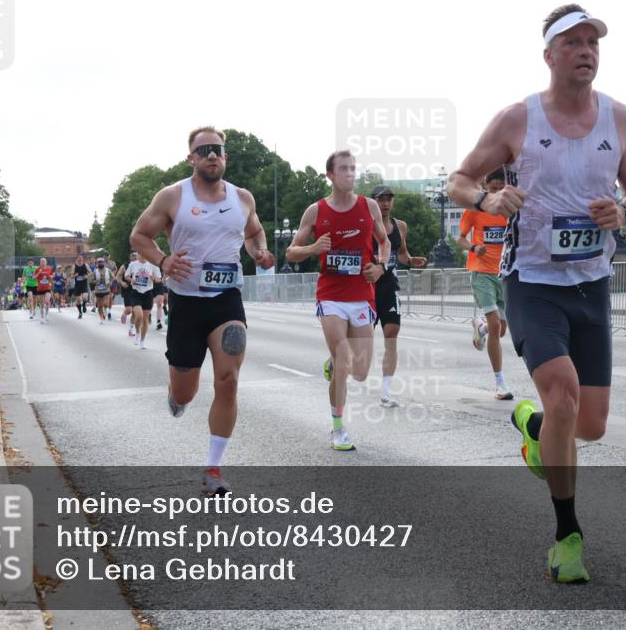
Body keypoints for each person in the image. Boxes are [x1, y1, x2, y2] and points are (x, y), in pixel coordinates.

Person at [446, 4, 626, 584]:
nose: (587, 50)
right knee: (563, 396)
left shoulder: (623, 120)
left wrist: (625, 214)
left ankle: (535, 431)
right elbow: (458, 180)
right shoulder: (517, 119)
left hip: (593, 284)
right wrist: (486, 200)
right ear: (550, 55)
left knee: (590, 427)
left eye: (593, 42)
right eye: (574, 42)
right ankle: (567, 536)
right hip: (532, 283)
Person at [129, 126, 274, 495]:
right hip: (187, 302)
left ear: (225, 157)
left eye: (218, 150)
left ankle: (213, 468)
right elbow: (139, 236)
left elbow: (254, 232)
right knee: (186, 391)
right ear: (191, 158)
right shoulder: (173, 196)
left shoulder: (242, 198)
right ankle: (176, 396)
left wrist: (258, 251)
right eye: (204, 150)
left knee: (229, 380)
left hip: (227, 299)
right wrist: (162, 260)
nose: (213, 155)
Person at [286, 150, 390, 452]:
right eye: (343, 169)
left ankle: (334, 362)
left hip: (362, 297)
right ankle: (338, 428)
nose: (349, 173)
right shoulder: (315, 212)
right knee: (346, 363)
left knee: (360, 371)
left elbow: (384, 243)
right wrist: (314, 248)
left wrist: (380, 266)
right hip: (330, 295)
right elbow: (291, 252)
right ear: (330, 175)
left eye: (353, 168)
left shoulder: (369, 207)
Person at [458, 168, 515, 400]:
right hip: (481, 273)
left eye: (501, 189)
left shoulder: (510, 210)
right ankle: (500, 383)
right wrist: (473, 247)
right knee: (495, 325)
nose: (497, 194)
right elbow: (460, 238)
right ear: (484, 186)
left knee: (500, 330)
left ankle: (479, 327)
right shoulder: (475, 209)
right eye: (493, 190)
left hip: (504, 273)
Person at [369, 185, 427, 407]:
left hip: (389, 286)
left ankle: (385, 393)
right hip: (367, 287)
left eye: (388, 199)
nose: (385, 204)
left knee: (391, 332)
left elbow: (401, 253)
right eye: (380, 199)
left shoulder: (400, 226)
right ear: (373, 202)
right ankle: (336, 360)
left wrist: (411, 261)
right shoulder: (365, 225)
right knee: (360, 341)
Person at [125, 253, 162, 348]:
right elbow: (126, 276)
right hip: (136, 292)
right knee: (139, 316)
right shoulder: (133, 264)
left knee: (145, 320)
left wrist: (154, 279)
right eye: (139, 252)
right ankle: (137, 332)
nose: (141, 254)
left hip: (148, 293)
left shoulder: (153, 265)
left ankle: (142, 341)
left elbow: (159, 279)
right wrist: (131, 280)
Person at [92, 257, 114, 324]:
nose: (100, 263)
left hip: (106, 290)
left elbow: (113, 278)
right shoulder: (95, 271)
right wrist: (97, 281)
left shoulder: (108, 270)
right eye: (99, 262)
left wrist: (110, 282)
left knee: (105, 304)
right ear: (97, 263)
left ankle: (105, 310)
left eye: (101, 262)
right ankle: (101, 318)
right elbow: (92, 280)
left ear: (103, 263)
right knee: (99, 306)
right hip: (98, 290)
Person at [33, 257, 54, 322]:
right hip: (40, 288)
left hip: (47, 288)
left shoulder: (49, 269)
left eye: (44, 261)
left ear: (46, 262)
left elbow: (52, 277)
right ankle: (42, 317)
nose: (43, 263)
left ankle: (46, 315)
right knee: (41, 304)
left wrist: (50, 277)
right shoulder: (37, 269)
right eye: (41, 261)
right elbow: (33, 277)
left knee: (47, 301)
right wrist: (39, 272)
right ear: (40, 263)